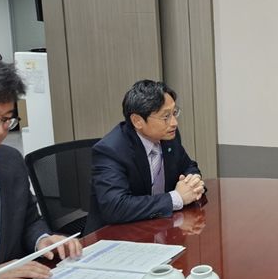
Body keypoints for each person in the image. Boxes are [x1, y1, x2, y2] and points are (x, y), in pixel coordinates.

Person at [0, 49, 82, 279]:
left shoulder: (9, 160)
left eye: (7, 120)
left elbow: (28, 220)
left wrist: (42, 240)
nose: (0, 131)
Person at [84, 80, 205, 234]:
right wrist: (176, 198)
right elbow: (115, 207)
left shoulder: (169, 136)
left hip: (157, 228)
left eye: (174, 113)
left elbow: (188, 165)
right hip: (115, 238)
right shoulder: (110, 150)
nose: (174, 123)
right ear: (137, 121)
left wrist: (192, 182)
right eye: (165, 116)